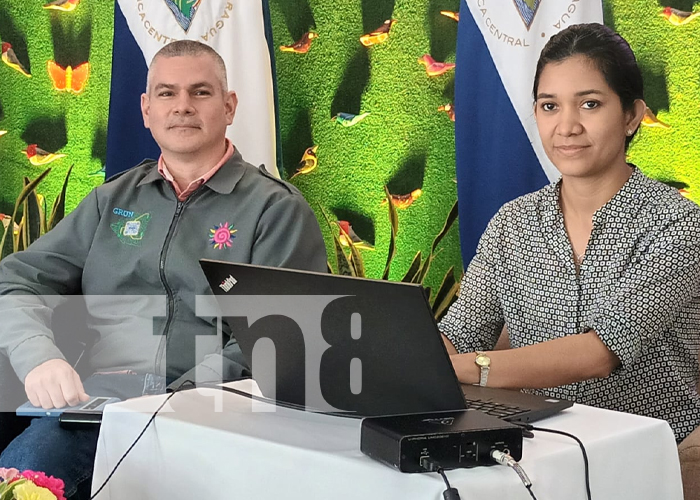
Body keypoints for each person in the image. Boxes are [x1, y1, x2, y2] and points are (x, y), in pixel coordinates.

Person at [0, 40, 327, 498]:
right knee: (23, 475)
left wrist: (177, 398)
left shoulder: (275, 209)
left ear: (229, 106)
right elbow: (15, 279)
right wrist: (39, 356)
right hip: (99, 407)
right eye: (167, 94)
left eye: (201, 92)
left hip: (215, 413)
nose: (183, 107)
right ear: (146, 108)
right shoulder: (110, 201)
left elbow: (281, 336)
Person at [440, 23, 700, 443]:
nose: (566, 127)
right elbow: (459, 334)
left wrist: (469, 369)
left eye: (590, 104)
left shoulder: (679, 225)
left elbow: (600, 352)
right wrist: (405, 362)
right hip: (533, 442)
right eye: (549, 106)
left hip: (649, 448)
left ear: (632, 116)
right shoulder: (512, 223)